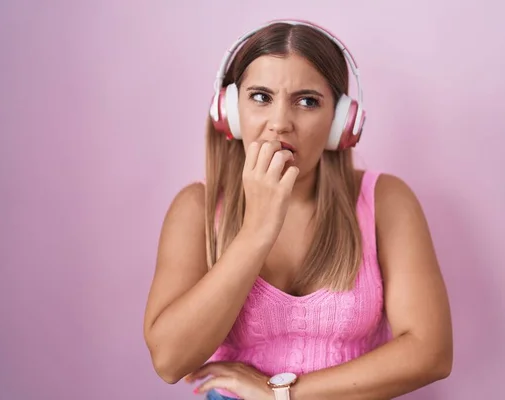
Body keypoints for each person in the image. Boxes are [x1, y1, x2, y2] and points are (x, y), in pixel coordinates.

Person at [143, 19, 453, 400]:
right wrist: (257, 229)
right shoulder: (196, 209)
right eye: (260, 97)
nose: (280, 124)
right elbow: (170, 361)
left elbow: (431, 352)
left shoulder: (386, 201)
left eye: (307, 101)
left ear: (341, 122)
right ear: (230, 111)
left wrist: (280, 394)